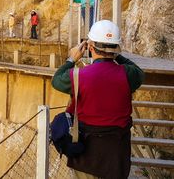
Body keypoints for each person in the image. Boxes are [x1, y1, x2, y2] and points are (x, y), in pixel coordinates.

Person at [52, 20, 144, 179]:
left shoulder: (78, 76)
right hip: (117, 157)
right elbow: (138, 72)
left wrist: (71, 59)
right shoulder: (128, 74)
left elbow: (57, 80)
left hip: (86, 156)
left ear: (90, 47)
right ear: (116, 48)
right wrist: (114, 52)